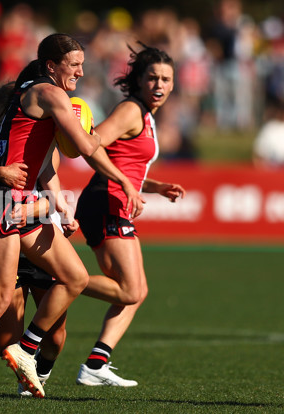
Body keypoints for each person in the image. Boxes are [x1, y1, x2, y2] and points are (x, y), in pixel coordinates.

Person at [0, 34, 142, 403]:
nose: (81, 71)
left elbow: (54, 162)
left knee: (76, 277)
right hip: (1, 203)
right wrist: (92, 131)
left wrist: (116, 179)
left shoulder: (38, 99)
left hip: (23, 205)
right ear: (52, 66)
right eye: (75, 64)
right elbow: (83, 148)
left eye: (82, 63)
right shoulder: (50, 95)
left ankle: (27, 348)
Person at [73, 43, 185, 387]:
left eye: (166, 79)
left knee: (137, 291)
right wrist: (125, 183)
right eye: (152, 78)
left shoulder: (146, 116)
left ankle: (96, 363)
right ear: (138, 80)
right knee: (130, 290)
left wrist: (154, 186)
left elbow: (127, 166)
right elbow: (91, 144)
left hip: (116, 200)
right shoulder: (131, 111)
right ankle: (55, 280)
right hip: (105, 200)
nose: (160, 85)